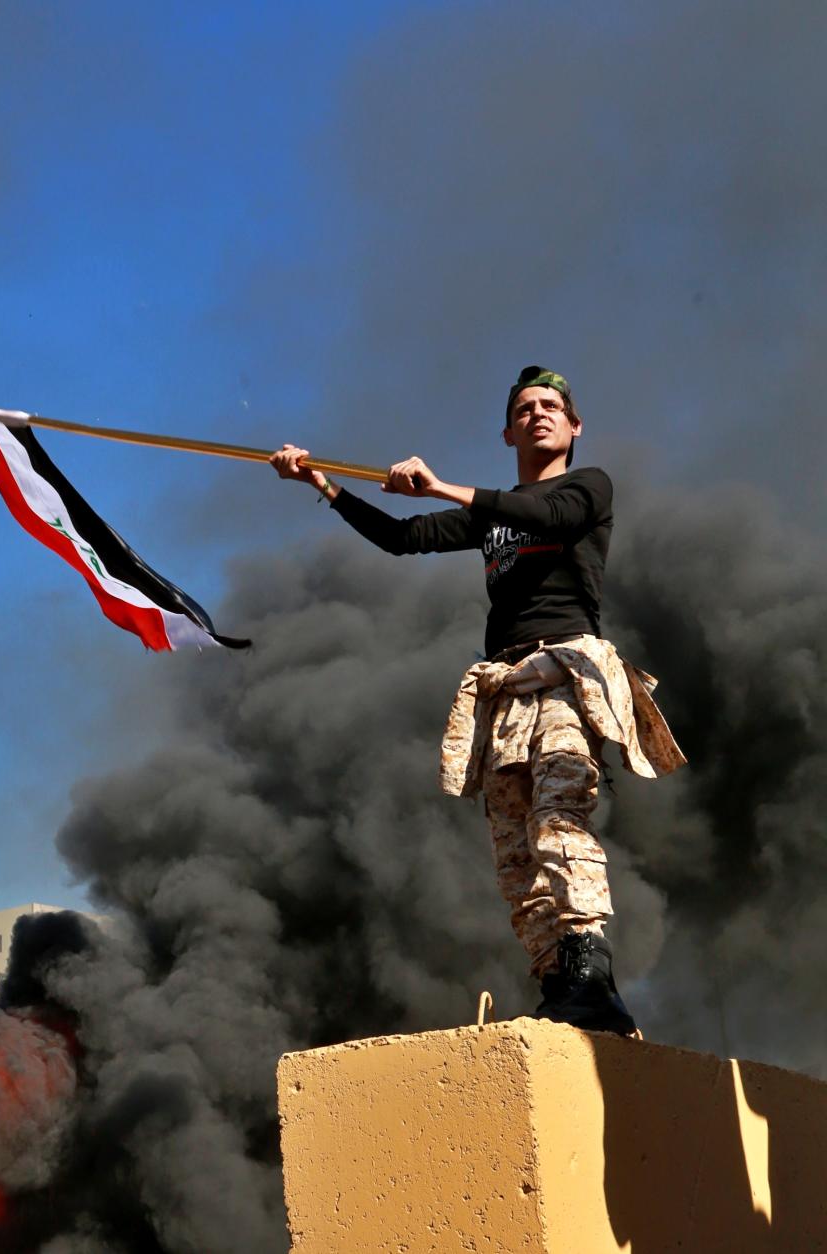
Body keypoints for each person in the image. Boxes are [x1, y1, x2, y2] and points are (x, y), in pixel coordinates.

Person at [270, 365, 685, 1036]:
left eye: (552, 406)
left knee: (559, 817)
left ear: (575, 426)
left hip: (565, 673)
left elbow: (547, 512)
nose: (539, 414)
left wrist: (440, 486)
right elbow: (402, 537)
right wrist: (321, 483)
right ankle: (559, 980)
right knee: (515, 845)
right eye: (524, 408)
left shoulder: (588, 487)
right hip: (504, 686)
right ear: (507, 431)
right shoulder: (491, 517)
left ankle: (592, 973)